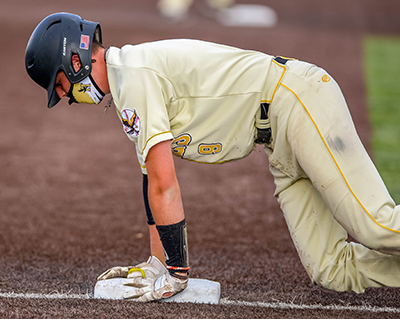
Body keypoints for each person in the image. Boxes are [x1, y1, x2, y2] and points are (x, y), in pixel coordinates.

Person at [25, 13, 400, 301]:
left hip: (296, 102)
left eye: (60, 86)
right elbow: (150, 181)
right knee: (331, 269)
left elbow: (164, 183)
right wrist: (158, 263)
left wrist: (176, 272)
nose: (69, 97)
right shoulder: (128, 83)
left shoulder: (133, 76)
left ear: (75, 62)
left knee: (375, 226)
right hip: (279, 139)